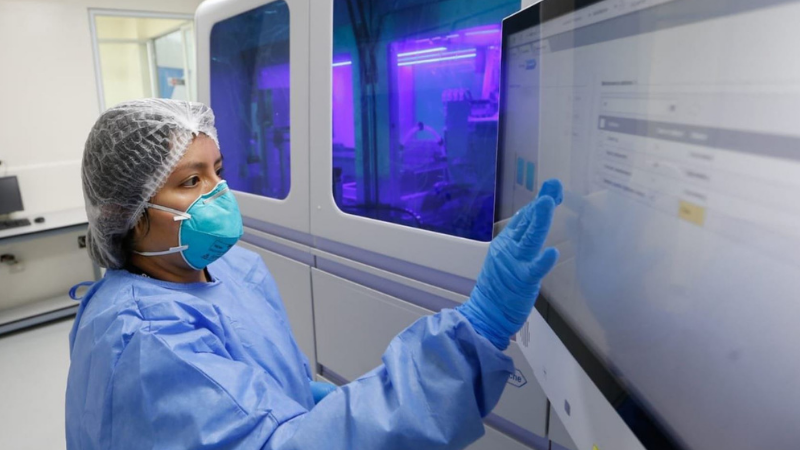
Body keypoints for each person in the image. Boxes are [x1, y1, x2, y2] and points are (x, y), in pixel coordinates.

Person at [66, 98, 563, 449]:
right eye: (192, 180)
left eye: (219, 170)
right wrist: (478, 329)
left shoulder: (229, 270)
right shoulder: (147, 341)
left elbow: (270, 392)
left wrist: (308, 397)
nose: (219, 192)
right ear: (127, 213)